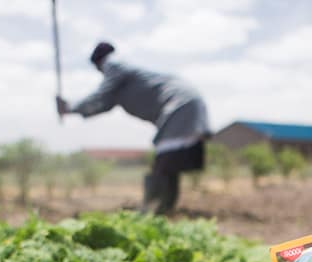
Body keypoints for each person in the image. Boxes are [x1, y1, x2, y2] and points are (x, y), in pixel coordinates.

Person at [56, 42, 210, 215]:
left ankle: (153, 212)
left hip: (179, 104)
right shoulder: (122, 73)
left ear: (98, 62)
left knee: (163, 163)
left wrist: (70, 107)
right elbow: (103, 103)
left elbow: (102, 94)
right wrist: (72, 109)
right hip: (186, 102)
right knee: (168, 164)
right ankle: (164, 210)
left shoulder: (113, 64)